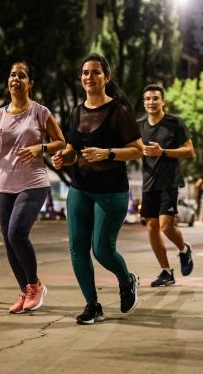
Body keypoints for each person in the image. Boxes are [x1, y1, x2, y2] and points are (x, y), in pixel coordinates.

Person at [51, 53, 143, 325]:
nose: (89, 77)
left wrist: (108, 154)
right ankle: (92, 305)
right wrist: (62, 158)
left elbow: (138, 150)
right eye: (85, 73)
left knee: (102, 250)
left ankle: (127, 281)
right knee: (77, 249)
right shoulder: (77, 111)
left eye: (95, 72)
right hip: (80, 188)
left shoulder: (119, 111)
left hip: (111, 190)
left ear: (107, 77)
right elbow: (71, 149)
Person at [0, 61, 66, 314]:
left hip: (33, 182)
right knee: (9, 243)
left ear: (30, 83)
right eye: (12, 75)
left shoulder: (40, 112)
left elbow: (61, 142)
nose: (15, 79)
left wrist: (39, 148)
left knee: (16, 234)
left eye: (21, 76)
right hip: (5, 184)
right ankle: (25, 291)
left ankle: (36, 285)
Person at [138, 84, 195, 287]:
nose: (151, 102)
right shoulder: (140, 126)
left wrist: (163, 151)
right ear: (144, 103)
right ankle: (166, 272)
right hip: (148, 183)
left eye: (155, 98)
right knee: (152, 227)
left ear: (163, 102)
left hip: (169, 182)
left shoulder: (175, 123)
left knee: (165, 226)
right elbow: (132, 149)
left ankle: (184, 248)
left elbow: (189, 151)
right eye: (148, 99)